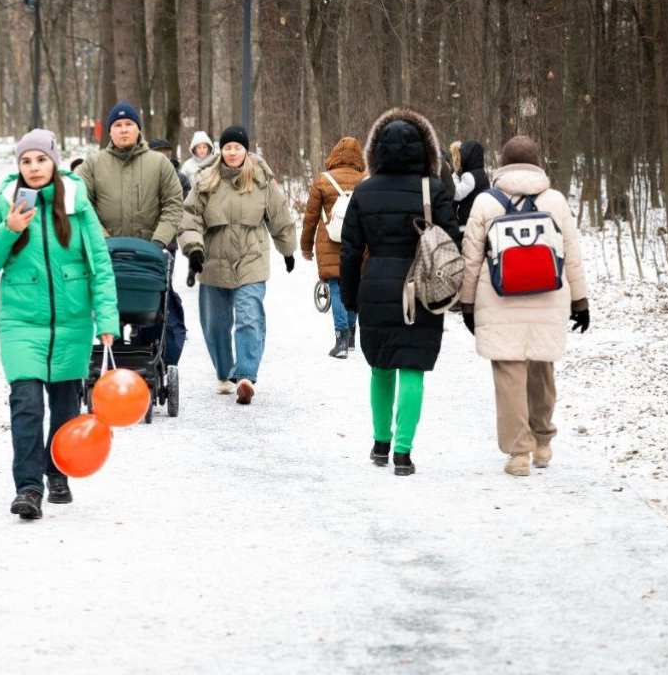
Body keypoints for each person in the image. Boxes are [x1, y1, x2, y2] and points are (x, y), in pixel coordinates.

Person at [0, 129, 120, 519]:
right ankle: (28, 488)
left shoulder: (76, 203)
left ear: (53, 162)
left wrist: (107, 318)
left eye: (40, 160)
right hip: (21, 323)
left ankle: (57, 471)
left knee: (64, 407)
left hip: (72, 324)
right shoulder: (8, 203)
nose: (34, 168)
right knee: (25, 405)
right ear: (19, 167)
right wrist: (9, 229)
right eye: (26, 161)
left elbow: (100, 267)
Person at [339, 108, 460, 476]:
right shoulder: (433, 190)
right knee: (412, 367)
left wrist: (350, 296)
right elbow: (452, 242)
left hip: (376, 285)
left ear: (376, 151)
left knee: (380, 366)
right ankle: (404, 453)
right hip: (421, 288)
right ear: (426, 151)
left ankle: (380, 443)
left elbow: (349, 249)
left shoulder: (364, 191)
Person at [459, 135, 589, 477]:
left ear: (502, 163)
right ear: (537, 162)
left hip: (499, 299)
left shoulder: (486, 202)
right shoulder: (555, 201)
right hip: (548, 297)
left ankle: (519, 455)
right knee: (542, 370)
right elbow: (571, 254)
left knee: (509, 375)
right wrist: (580, 300)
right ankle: (543, 443)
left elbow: (471, 259)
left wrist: (468, 305)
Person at [178, 125, 297, 405]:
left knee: (249, 316)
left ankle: (245, 375)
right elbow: (190, 218)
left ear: (246, 150)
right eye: (228, 147)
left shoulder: (261, 181)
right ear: (222, 150)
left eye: (238, 147)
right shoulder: (206, 180)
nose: (233, 152)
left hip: (250, 259)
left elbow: (279, 216)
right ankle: (223, 371)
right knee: (216, 323)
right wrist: (194, 250)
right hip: (214, 261)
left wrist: (288, 250)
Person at [76, 102, 185, 364]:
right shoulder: (93, 164)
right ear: (109, 132)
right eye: (117, 125)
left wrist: (159, 242)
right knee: (106, 307)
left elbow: (173, 204)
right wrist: (100, 239)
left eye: (129, 125)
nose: (123, 130)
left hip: (150, 254)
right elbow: (82, 204)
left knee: (155, 309)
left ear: (138, 129)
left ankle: (152, 359)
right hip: (106, 255)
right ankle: (107, 360)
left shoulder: (159, 164)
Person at [300, 136, 366, 358]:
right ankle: (353, 334)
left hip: (330, 241)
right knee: (354, 287)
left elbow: (310, 218)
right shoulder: (366, 180)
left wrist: (306, 246)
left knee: (337, 288)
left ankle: (341, 340)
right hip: (358, 241)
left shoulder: (323, 180)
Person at [144, 137, 190, 366]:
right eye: (159, 153)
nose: (164, 157)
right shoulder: (144, 175)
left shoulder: (179, 178)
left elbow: (184, 206)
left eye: (167, 153)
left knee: (162, 287)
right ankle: (142, 332)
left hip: (167, 243)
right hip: (142, 242)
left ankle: (161, 334)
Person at [450, 140, 490, 230]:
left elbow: (457, 194)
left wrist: (455, 175)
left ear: (469, 157)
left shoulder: (470, 176)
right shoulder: (480, 173)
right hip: (478, 217)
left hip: (468, 221)